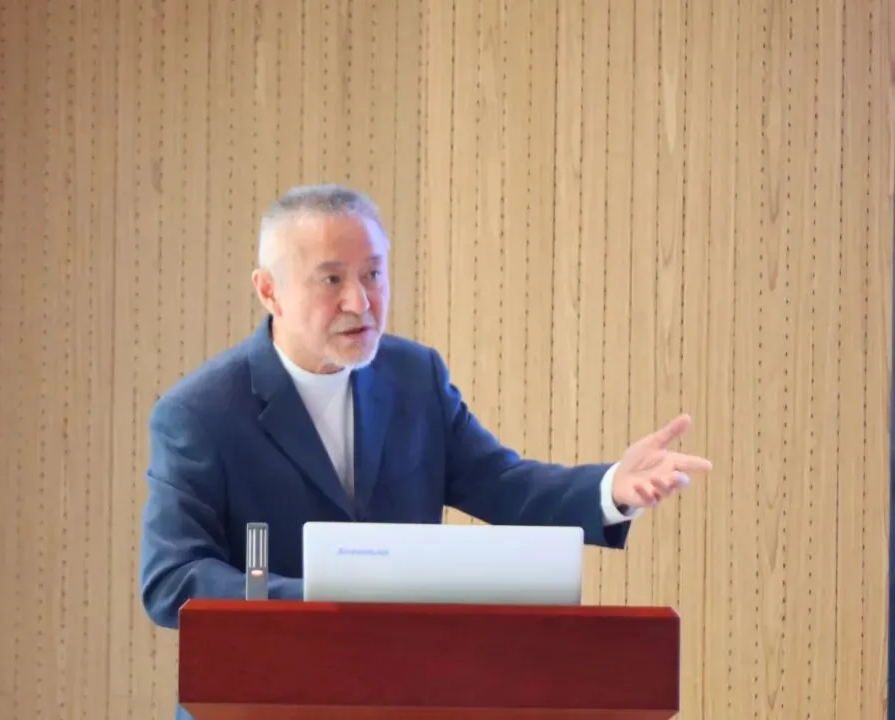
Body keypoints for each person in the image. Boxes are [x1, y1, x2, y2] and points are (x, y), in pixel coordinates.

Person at [139, 183, 713, 630]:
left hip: (401, 689)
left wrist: (610, 489)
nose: (360, 301)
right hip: (261, 694)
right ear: (269, 291)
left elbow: (503, 484)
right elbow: (173, 578)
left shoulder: (414, 377)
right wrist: (316, 596)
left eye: (373, 274)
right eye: (331, 279)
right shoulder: (200, 413)